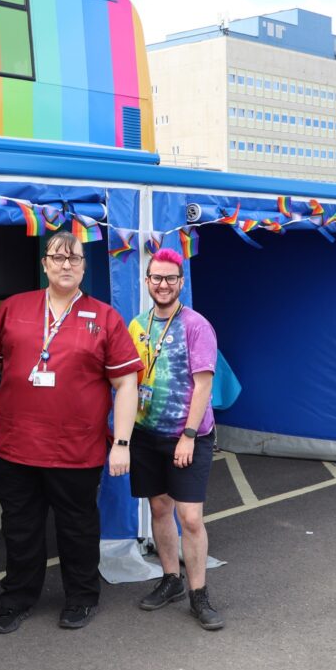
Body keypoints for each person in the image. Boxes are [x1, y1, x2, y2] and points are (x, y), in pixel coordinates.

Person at [0, 231, 142, 633]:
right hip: (15, 446)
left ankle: (82, 598)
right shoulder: (14, 309)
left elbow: (127, 384)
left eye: (75, 259)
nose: (67, 265)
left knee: (78, 528)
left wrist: (121, 442)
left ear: (84, 266)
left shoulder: (104, 317)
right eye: (58, 258)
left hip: (76, 449)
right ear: (44, 263)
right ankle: (16, 600)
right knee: (20, 528)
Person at [128, 248, 224, 631]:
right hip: (147, 434)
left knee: (190, 517)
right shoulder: (137, 325)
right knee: (159, 510)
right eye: (157, 278)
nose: (163, 285)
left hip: (188, 436)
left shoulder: (196, 325)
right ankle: (170, 579)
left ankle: (199, 594)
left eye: (170, 278)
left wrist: (187, 435)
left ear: (180, 283)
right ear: (147, 282)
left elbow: (204, 386)